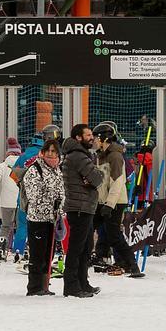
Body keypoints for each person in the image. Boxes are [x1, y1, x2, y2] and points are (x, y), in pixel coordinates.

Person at [90, 123, 144, 278]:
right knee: (95, 229)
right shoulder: (101, 155)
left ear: (103, 138)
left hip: (115, 202)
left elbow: (117, 182)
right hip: (103, 201)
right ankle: (100, 257)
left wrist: (109, 204)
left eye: (96, 137)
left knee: (113, 235)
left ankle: (132, 264)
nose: (94, 140)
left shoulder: (114, 156)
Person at [61, 124, 103, 298]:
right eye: (88, 135)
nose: (91, 137)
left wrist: (92, 177)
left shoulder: (80, 155)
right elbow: (97, 178)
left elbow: (93, 178)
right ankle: (71, 285)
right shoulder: (78, 156)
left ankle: (82, 282)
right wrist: (93, 177)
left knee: (86, 247)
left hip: (84, 206)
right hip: (80, 207)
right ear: (78, 137)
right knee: (77, 248)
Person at [22, 139, 65, 296]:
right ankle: (34, 286)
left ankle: (45, 284)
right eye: (48, 150)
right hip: (38, 218)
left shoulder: (57, 169)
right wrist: (50, 203)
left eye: (54, 151)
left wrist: (59, 207)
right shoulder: (35, 169)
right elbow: (34, 195)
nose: (50, 154)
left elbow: (61, 190)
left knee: (49, 252)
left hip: (52, 218)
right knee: (38, 253)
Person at [0, 138, 21, 256]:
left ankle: (1, 249)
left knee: (5, 226)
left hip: (6, 202)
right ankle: (20, 250)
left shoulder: (2, 166)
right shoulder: (23, 164)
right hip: (20, 202)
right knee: (20, 227)